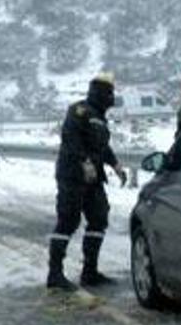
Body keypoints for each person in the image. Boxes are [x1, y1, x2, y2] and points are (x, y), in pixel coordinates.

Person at [47, 73, 128, 292]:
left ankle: (89, 271)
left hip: (93, 178)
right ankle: (55, 274)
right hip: (72, 175)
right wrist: (84, 162)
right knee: (68, 220)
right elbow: (71, 139)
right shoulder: (79, 111)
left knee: (99, 218)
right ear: (100, 93)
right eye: (109, 92)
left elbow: (102, 146)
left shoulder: (100, 118)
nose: (112, 97)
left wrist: (116, 165)